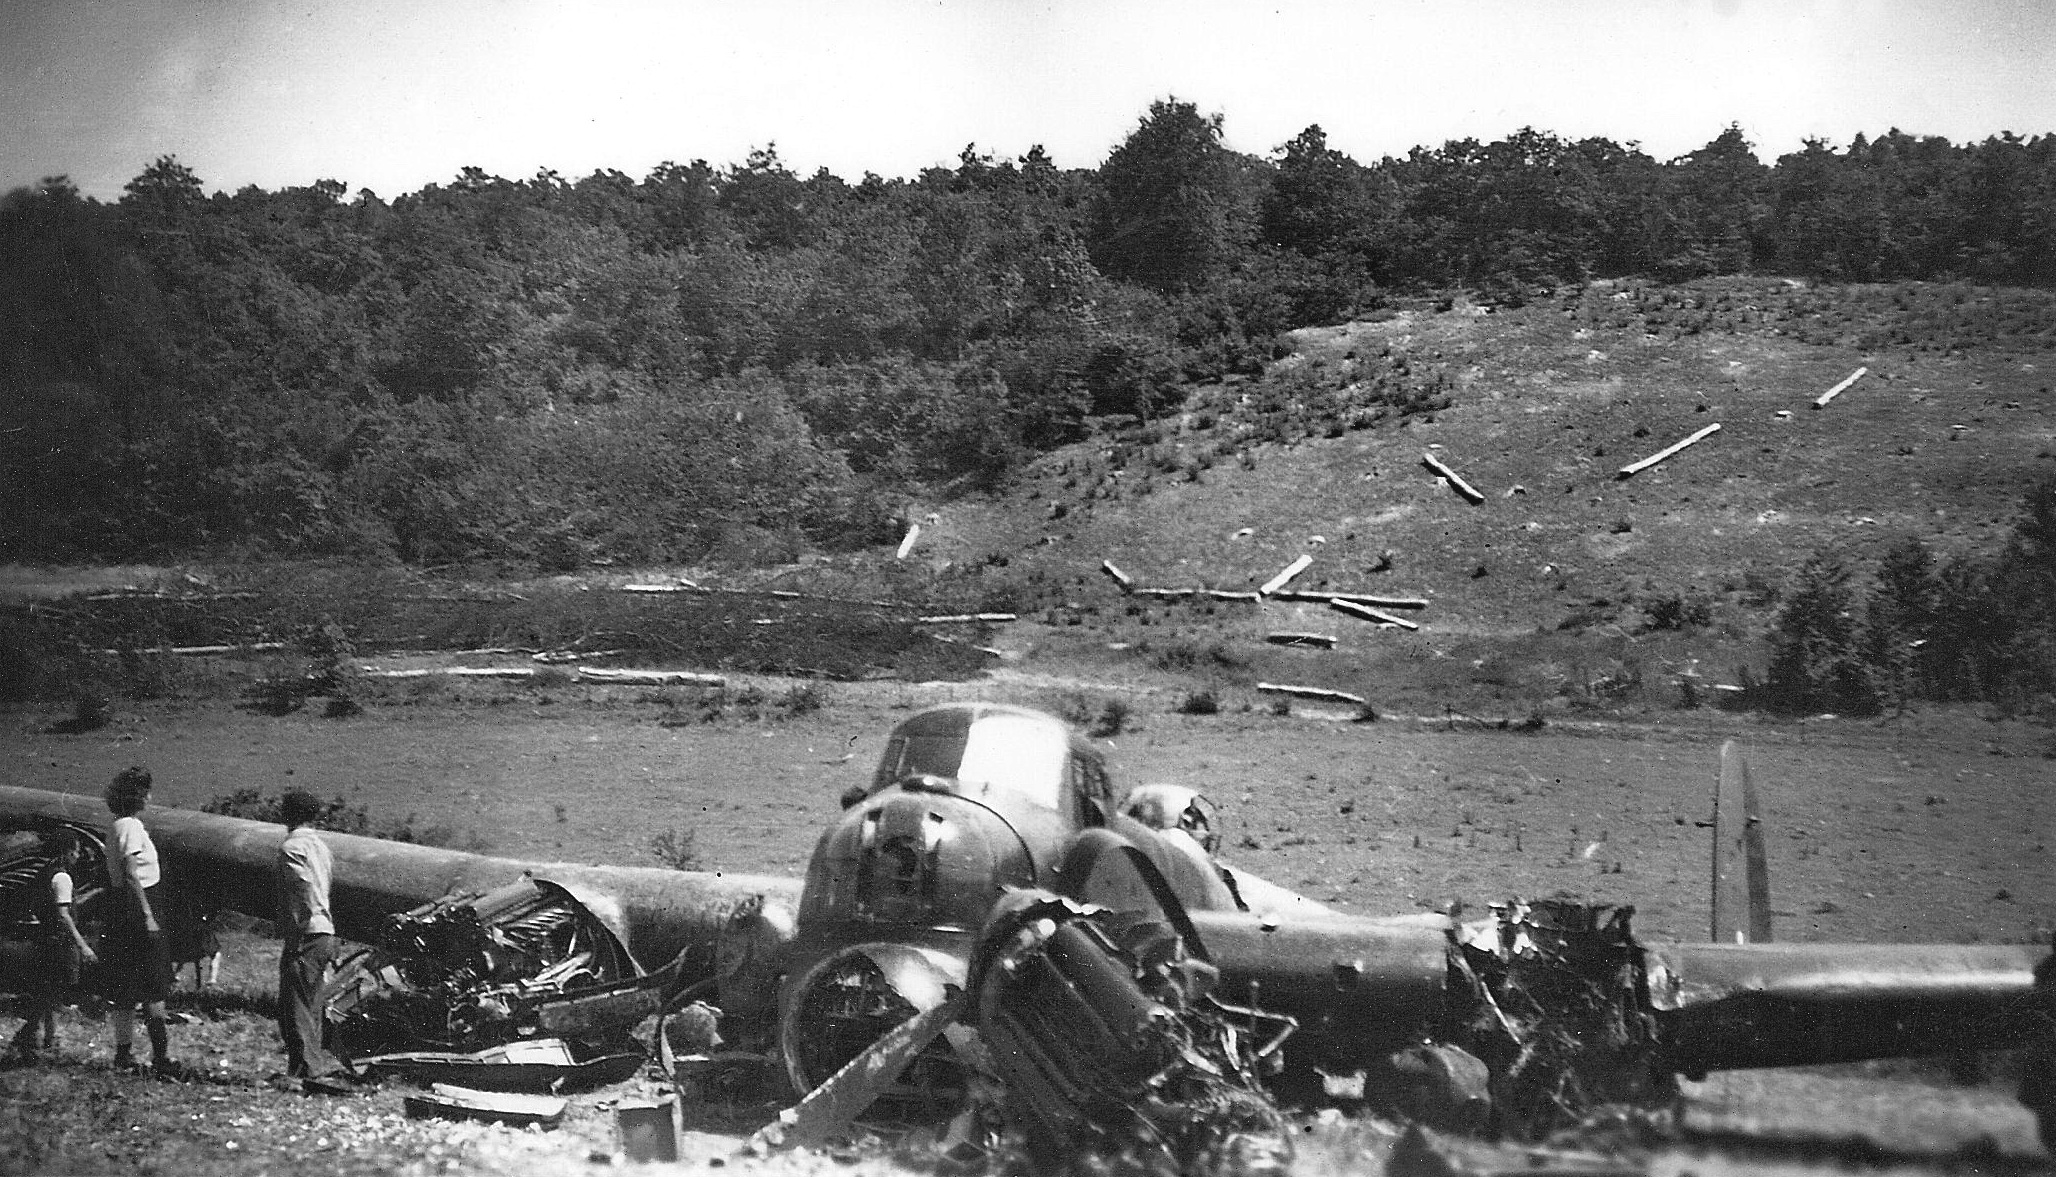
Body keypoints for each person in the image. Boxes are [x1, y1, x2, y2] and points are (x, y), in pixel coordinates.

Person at [103, 766, 181, 1077]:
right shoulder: (130, 827)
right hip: (139, 906)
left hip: (128, 907)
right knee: (153, 985)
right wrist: (148, 915)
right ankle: (160, 1056)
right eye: (146, 791)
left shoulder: (121, 825)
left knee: (127, 985)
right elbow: (132, 874)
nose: (150, 797)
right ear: (137, 796)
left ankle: (124, 1053)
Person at [276, 789, 352, 1092]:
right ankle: (307, 1066)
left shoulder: (292, 847)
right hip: (326, 930)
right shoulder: (321, 847)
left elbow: (301, 889)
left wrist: (295, 932)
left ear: (286, 814)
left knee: (294, 1006)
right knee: (312, 1002)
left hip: (306, 932)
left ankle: (306, 1072)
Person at [6, 829, 97, 1063]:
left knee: (47, 991)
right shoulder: (63, 878)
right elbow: (64, 915)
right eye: (76, 852)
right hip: (60, 943)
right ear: (67, 852)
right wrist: (83, 945)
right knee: (53, 993)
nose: (78, 856)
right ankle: (28, 1036)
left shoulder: (45, 873)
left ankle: (48, 1039)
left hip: (45, 939)